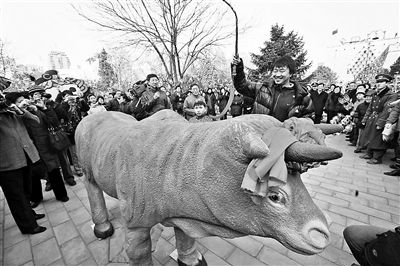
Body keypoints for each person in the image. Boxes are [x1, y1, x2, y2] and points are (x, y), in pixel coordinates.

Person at [0, 93, 47, 235]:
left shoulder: (14, 113)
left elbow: (35, 120)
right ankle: (28, 226)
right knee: (16, 197)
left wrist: (21, 110)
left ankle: (30, 214)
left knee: (26, 192)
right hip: (7, 164)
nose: (2, 100)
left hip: (25, 158)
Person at [231, 55, 313, 122]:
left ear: (291, 73)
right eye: (275, 71)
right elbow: (242, 86)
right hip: (260, 137)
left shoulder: (302, 97)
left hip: (285, 139)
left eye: (281, 71)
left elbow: (309, 119)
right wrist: (238, 68)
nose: (277, 74)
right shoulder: (262, 88)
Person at [359, 74, 398, 164]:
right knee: (370, 136)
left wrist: (381, 123)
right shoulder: (375, 94)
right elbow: (370, 108)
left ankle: (377, 158)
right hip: (372, 117)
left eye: (382, 82)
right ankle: (369, 154)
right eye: (378, 82)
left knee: (378, 139)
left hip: (381, 118)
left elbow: (387, 110)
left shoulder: (391, 95)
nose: (379, 84)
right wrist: (365, 119)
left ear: (387, 83)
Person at [353, 89, 373, 153]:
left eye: (370, 97)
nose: (368, 98)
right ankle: (359, 147)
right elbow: (356, 113)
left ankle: (368, 149)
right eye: (367, 97)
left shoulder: (374, 106)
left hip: (371, 124)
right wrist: (356, 120)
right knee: (360, 136)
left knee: (369, 137)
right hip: (361, 123)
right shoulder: (360, 105)